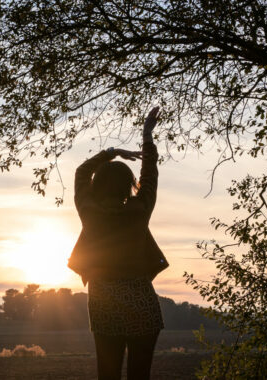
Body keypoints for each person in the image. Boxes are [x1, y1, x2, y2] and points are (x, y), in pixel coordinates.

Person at [68, 107, 168, 380]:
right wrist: (147, 136)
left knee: (108, 374)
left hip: (103, 304)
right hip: (142, 302)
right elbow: (150, 176)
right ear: (128, 185)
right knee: (140, 376)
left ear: (97, 184)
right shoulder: (139, 210)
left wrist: (111, 152)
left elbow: (80, 172)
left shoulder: (89, 211)